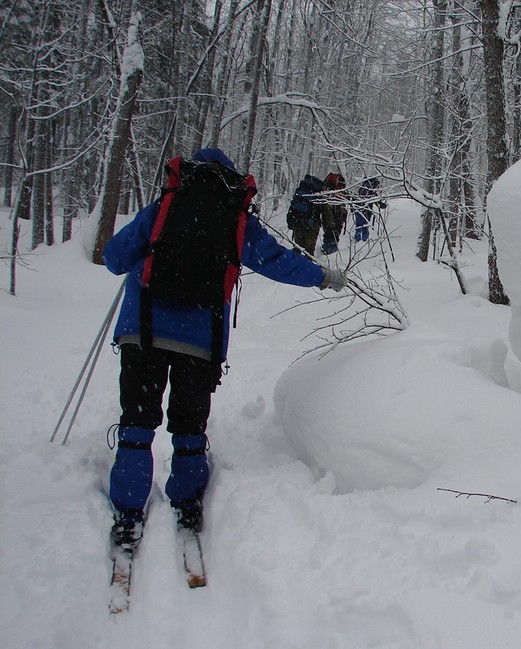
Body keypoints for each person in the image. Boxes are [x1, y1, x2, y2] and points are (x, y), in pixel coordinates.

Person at [102, 147, 347, 549]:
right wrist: (322, 277)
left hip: (142, 330)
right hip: (199, 337)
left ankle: (129, 512)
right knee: (188, 425)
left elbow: (114, 258)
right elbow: (277, 261)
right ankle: (186, 502)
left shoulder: (167, 204)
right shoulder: (235, 217)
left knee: (137, 422)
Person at [320, 172, 347, 255]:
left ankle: (326, 249)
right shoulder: (341, 184)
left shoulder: (327, 182)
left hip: (327, 208)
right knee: (335, 231)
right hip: (338, 210)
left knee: (328, 230)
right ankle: (331, 252)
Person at [353, 176, 386, 242]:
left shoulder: (361, 189)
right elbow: (378, 203)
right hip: (367, 211)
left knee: (358, 224)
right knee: (365, 225)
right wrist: (384, 205)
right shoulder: (371, 192)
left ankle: (357, 238)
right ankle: (364, 239)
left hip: (358, 210)